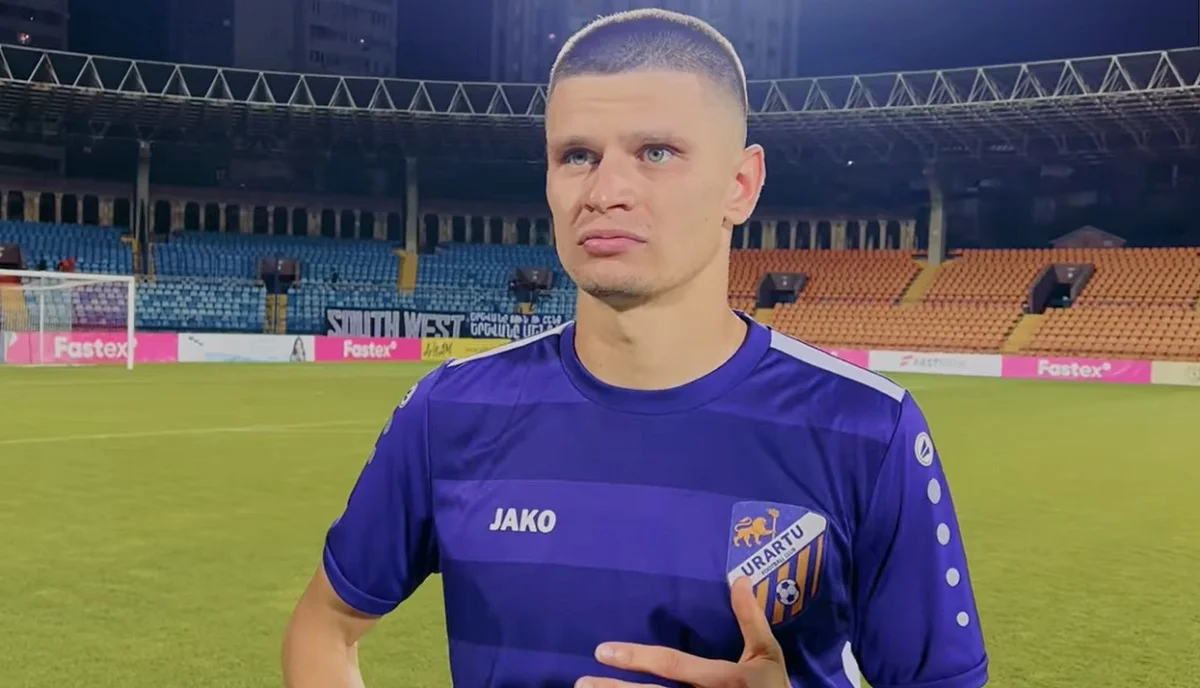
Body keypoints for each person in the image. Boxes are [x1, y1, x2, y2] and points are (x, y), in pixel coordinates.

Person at [282, 9, 988, 688]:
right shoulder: (450, 411)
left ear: (740, 185)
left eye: (657, 153)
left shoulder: (867, 429)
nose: (606, 191)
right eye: (577, 156)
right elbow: (325, 625)